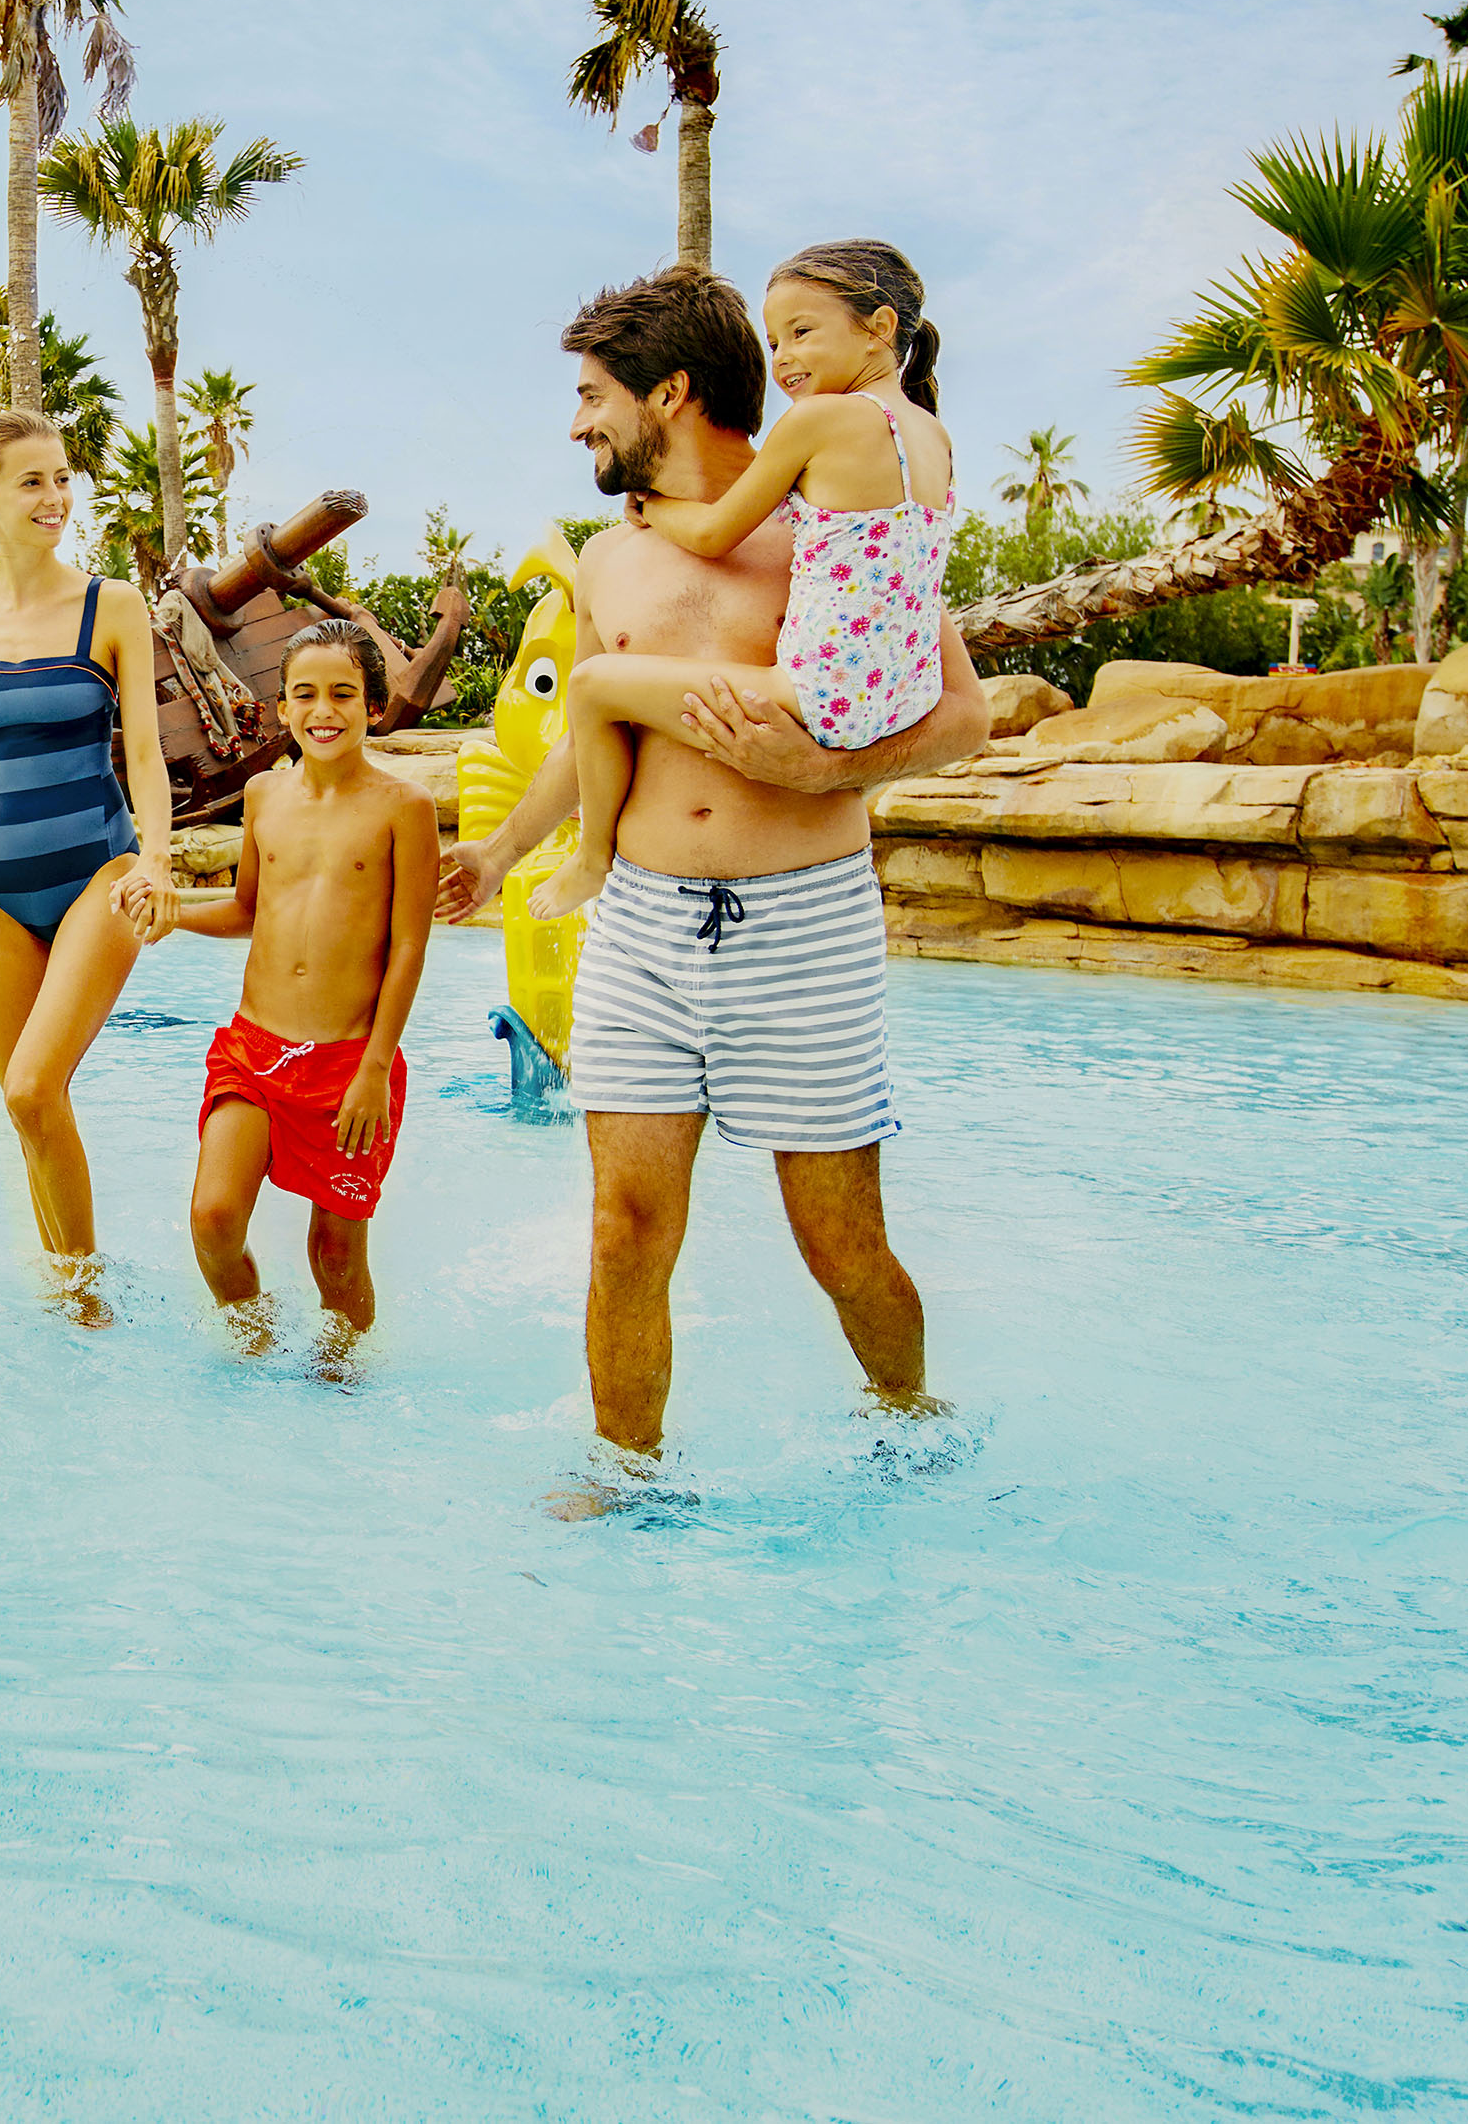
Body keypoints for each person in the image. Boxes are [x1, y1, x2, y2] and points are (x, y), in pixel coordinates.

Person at [436, 269, 991, 1504]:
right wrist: (501, 850)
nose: (577, 424)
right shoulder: (607, 561)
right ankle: (625, 1475)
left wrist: (827, 765)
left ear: (669, 392)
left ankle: (910, 1419)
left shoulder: (834, 518)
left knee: (838, 1241)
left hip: (803, 923)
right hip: (641, 925)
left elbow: (965, 715)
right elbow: (592, 737)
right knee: (626, 1227)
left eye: (593, 396)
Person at [531, 241, 955, 923]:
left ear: (879, 327)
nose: (782, 359)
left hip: (815, 770)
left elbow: (712, 533)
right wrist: (497, 852)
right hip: (890, 698)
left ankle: (591, 858)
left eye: (801, 332)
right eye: (774, 341)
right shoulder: (930, 438)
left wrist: (652, 507)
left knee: (590, 686)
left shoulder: (815, 433)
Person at [0, 410, 181, 1311]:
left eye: (61, 478)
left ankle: (90, 1299)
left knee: (30, 1086)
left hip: (101, 872)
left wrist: (156, 861)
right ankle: (69, 1300)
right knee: (27, 1110)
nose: (55, 496)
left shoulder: (112, 606)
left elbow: (145, 755)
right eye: (31, 481)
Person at [174, 620, 437, 1349]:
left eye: (343, 694)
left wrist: (374, 1070)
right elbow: (246, 911)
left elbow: (409, 946)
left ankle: (341, 1380)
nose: (324, 710)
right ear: (282, 708)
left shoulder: (404, 807)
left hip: (348, 1063)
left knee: (335, 1256)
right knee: (213, 1218)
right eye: (306, 694)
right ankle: (254, 1343)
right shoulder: (263, 794)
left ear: (372, 707)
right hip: (254, 1050)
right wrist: (173, 916)